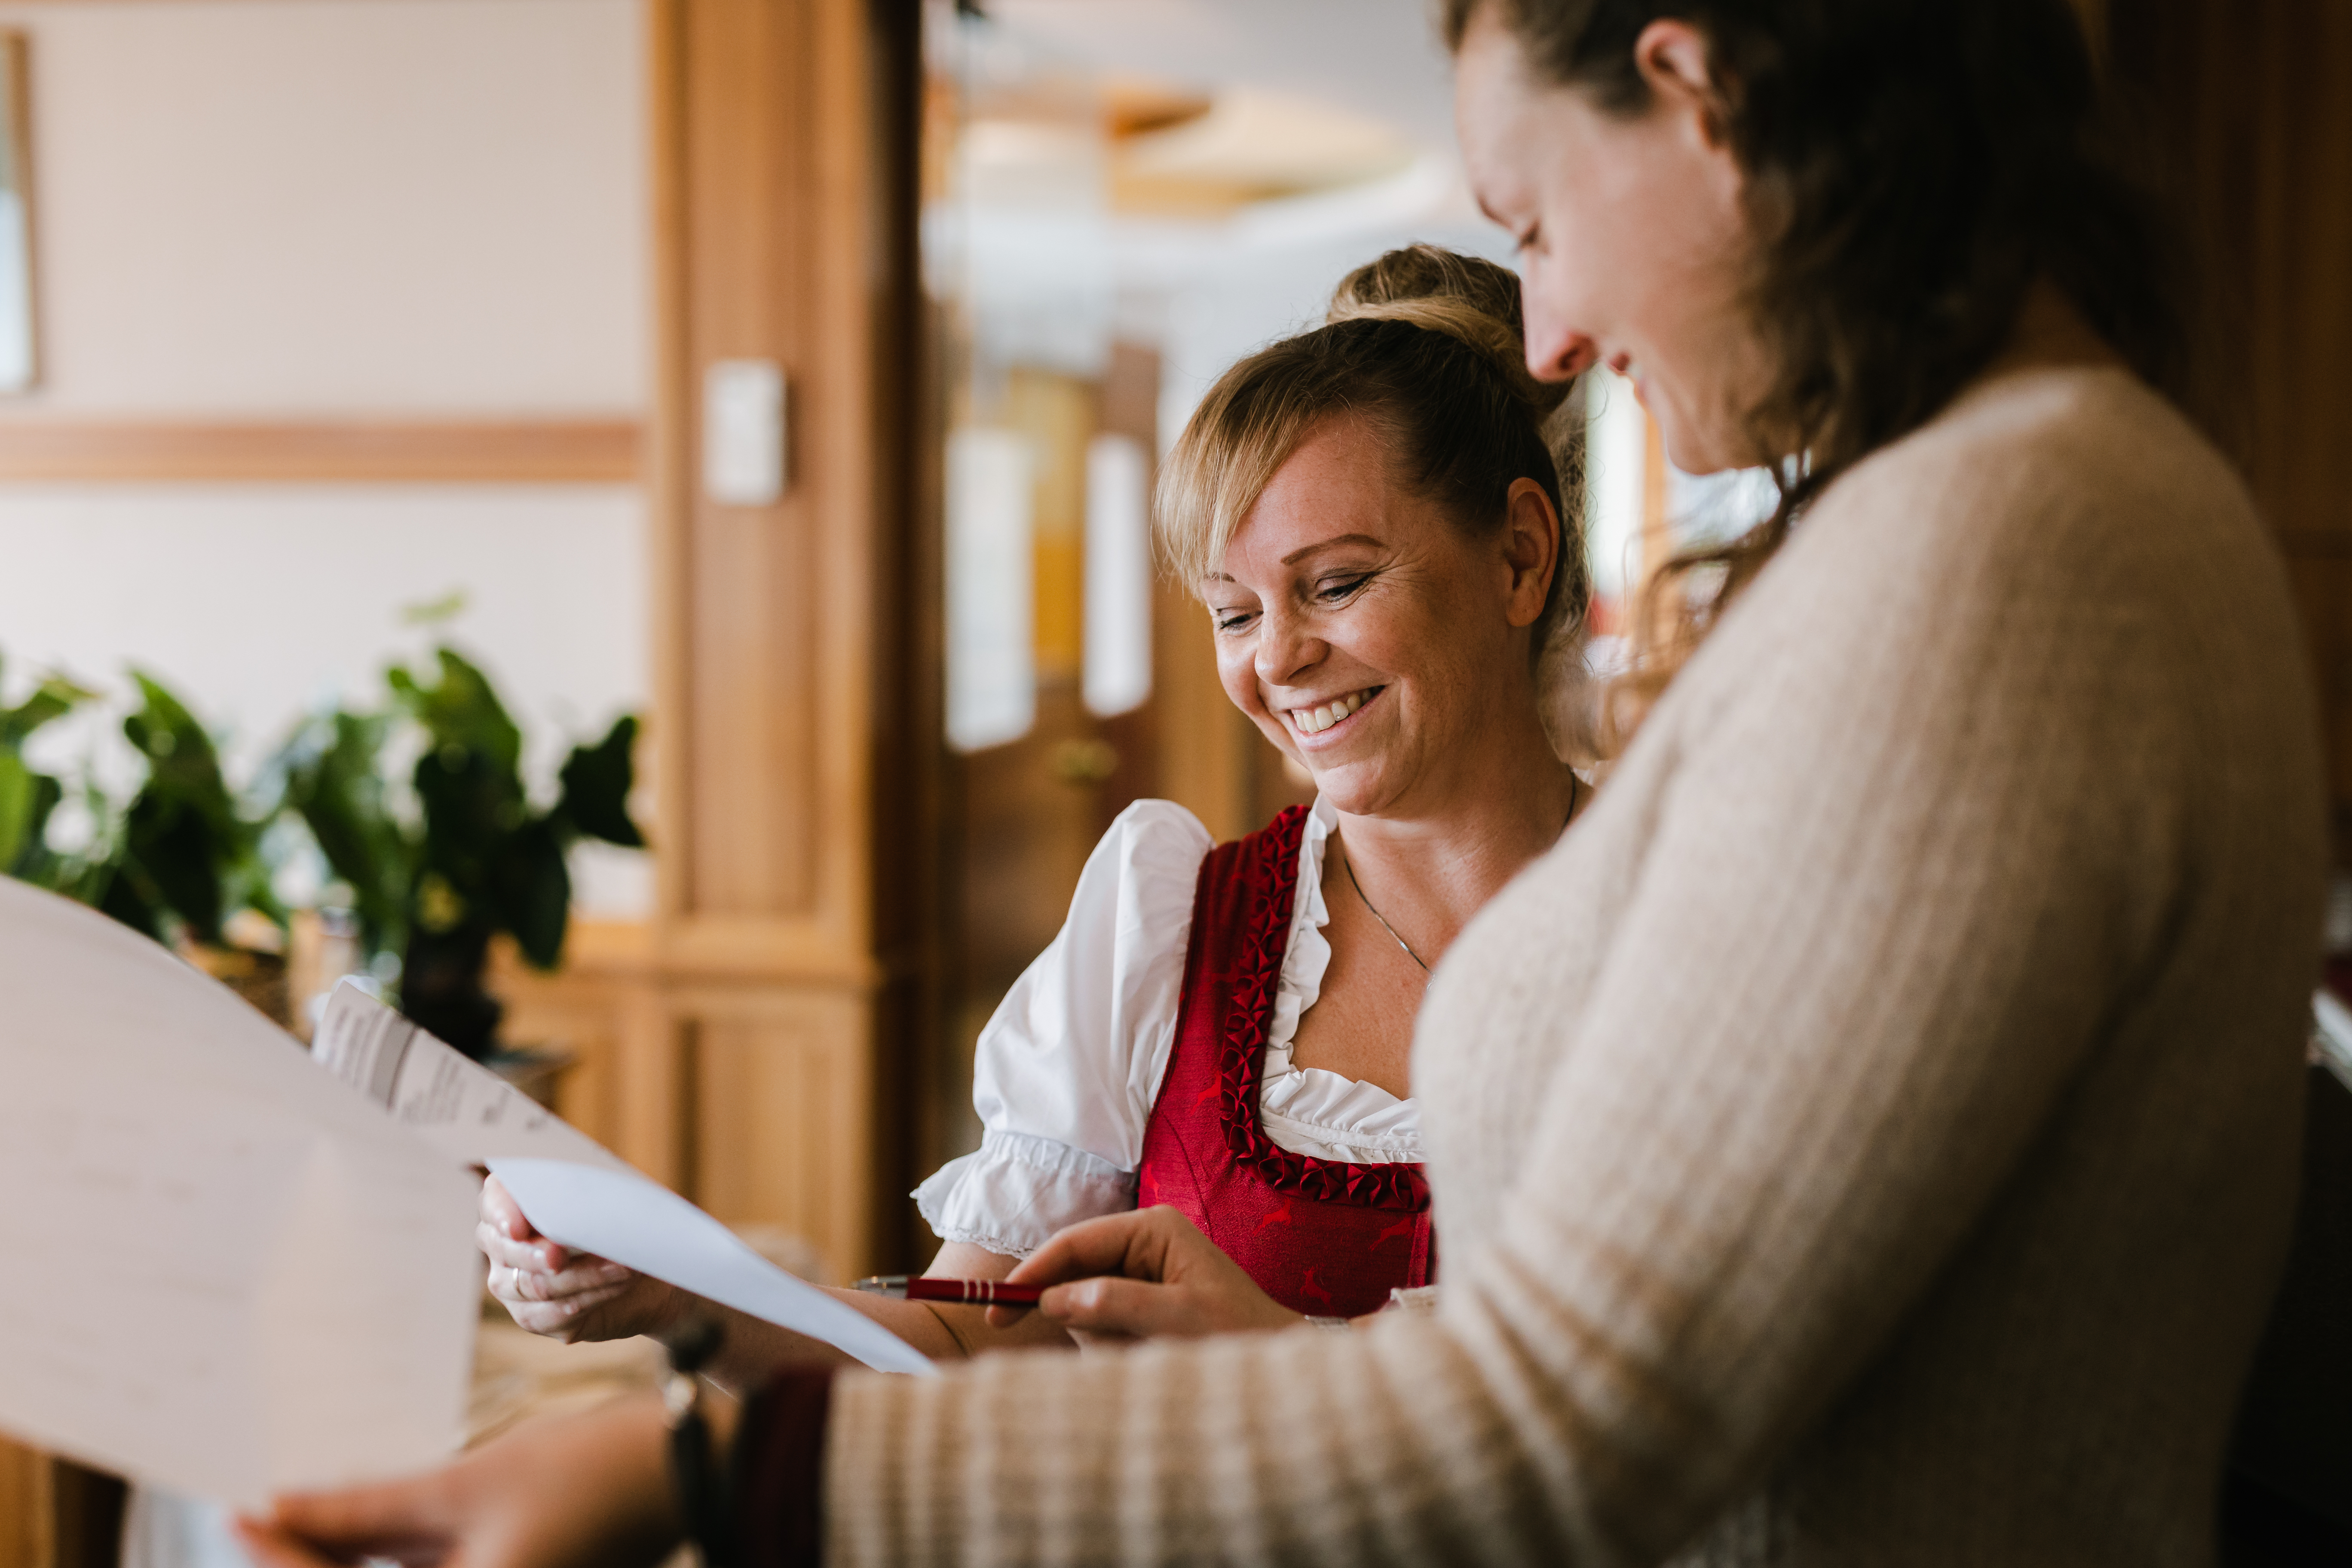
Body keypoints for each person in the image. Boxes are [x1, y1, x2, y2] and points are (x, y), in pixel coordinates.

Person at [242, 0, 2328, 1562]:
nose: (1568, 322)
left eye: (1536, 215)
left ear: (1700, 95)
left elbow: (1576, 1421)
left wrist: (706, 1472)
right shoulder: (2041, 512)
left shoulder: (2004, 562)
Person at [474, 242, 1595, 1378]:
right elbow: (972, 1336)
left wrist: (1281, 1353)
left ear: (1518, 555)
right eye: (1234, 612)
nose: (1281, 660)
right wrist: (675, 1294)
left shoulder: (1701, 916)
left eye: (1338, 583)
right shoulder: (1169, 931)